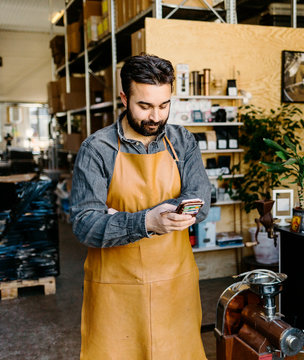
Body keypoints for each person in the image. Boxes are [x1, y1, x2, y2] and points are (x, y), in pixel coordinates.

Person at [70, 54, 211, 360]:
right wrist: (146, 222)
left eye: (163, 105)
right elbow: (84, 223)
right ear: (124, 98)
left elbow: (201, 201)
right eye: (144, 106)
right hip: (116, 292)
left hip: (175, 286)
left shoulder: (183, 141)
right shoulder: (97, 149)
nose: (155, 117)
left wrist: (119, 217)